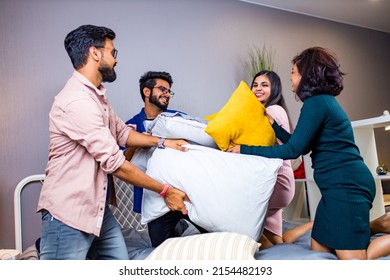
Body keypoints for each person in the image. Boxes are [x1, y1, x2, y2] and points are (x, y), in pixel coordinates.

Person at [36, 24, 190, 260]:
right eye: (113, 52)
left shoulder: (97, 97)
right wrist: (166, 191)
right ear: (95, 53)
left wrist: (163, 142)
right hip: (69, 211)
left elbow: (122, 134)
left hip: (97, 209)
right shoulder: (78, 101)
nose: (116, 60)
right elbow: (115, 163)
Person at [227, 46, 382, 260]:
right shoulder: (320, 103)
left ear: (306, 75)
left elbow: (293, 150)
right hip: (335, 186)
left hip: (347, 186)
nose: (290, 76)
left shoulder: (317, 103)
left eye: (293, 71)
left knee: (355, 263)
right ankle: (376, 225)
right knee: (319, 249)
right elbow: (303, 145)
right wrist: (274, 126)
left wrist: (243, 150)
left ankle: (369, 230)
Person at [124, 71, 207, 248]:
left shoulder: (178, 119)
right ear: (147, 92)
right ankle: (179, 226)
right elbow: (121, 162)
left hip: (184, 191)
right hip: (154, 197)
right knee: (160, 247)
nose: (167, 94)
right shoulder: (130, 126)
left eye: (169, 91)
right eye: (162, 89)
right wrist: (136, 143)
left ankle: (182, 223)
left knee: (213, 234)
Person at [249, 70, 313, 248]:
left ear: (274, 89)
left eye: (264, 85)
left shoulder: (272, 110)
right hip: (281, 180)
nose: (258, 89)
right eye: (255, 85)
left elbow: (264, 146)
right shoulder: (271, 110)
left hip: (276, 181)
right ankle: (315, 224)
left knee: (243, 219)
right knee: (278, 242)